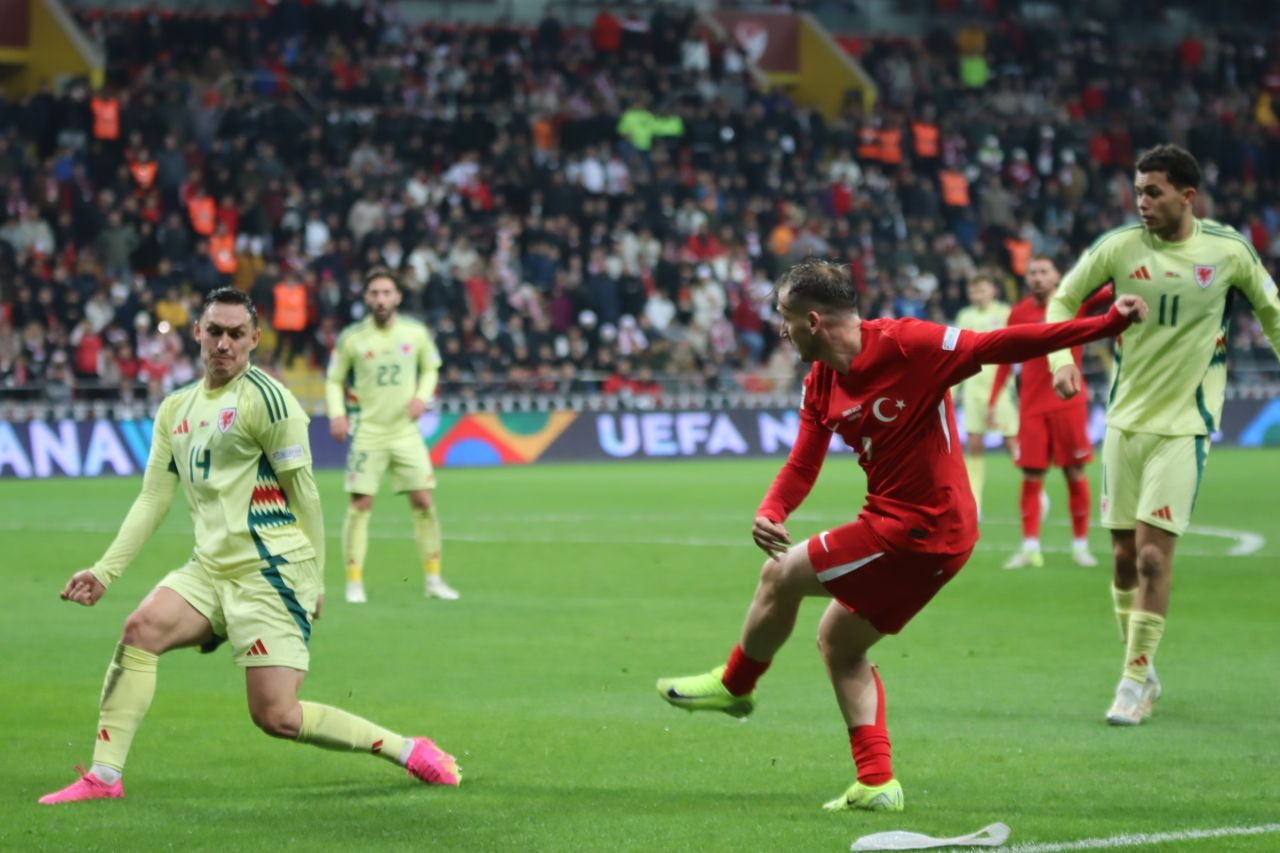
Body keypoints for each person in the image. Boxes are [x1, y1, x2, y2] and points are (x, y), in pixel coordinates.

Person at [656, 259, 1146, 812]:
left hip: (922, 527)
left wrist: (1102, 326)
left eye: (784, 317)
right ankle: (876, 782)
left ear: (813, 320)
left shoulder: (910, 344)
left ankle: (737, 682)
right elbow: (802, 464)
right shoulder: (821, 380)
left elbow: (1000, 343)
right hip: (910, 530)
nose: (780, 329)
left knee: (780, 575)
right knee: (839, 642)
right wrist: (772, 508)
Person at [40, 288, 460, 805]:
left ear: (254, 339)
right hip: (210, 569)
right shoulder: (176, 409)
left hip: (273, 574)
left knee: (275, 716)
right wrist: (105, 572)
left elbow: (305, 496)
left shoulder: (269, 400)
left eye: (236, 334)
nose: (224, 343)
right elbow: (153, 497)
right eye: (214, 331)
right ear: (197, 332)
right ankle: (104, 778)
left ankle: (406, 748)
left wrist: (317, 580)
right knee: (140, 629)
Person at [1045, 144, 1280, 726]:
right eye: (1138, 191)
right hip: (1124, 423)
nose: (1141, 202)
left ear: (1186, 195)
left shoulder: (1227, 252)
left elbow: (1272, 312)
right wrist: (1063, 360)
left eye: (1153, 192)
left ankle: (1131, 681)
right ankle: (1144, 672)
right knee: (1123, 560)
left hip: (1185, 426)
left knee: (1152, 556)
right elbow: (1063, 297)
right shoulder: (1120, 247)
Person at [325, 268, 458, 603]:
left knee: (424, 501)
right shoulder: (353, 338)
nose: (381, 299)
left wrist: (422, 397)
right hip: (368, 431)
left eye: (387, 292)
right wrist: (338, 414)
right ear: (366, 298)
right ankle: (354, 583)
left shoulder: (415, 333)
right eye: (375, 293)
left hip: (405, 432)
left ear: (398, 296)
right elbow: (333, 379)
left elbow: (431, 367)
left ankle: (433, 580)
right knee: (360, 505)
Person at [989, 257, 1112, 569]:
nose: (1037, 278)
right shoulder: (1018, 313)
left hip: (1068, 402)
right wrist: (993, 400)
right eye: (1032, 273)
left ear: (1058, 275)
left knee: (1074, 473)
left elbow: (1110, 291)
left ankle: (1080, 546)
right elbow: (1005, 358)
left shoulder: (1073, 302)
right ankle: (1030, 548)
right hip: (1031, 407)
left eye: (1044, 272)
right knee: (1031, 476)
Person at [952, 274, 1017, 517]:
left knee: (1012, 442)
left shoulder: (1005, 313)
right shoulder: (964, 316)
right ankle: (975, 503)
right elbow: (957, 354)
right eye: (973, 291)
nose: (976, 295)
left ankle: (1035, 489)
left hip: (1000, 390)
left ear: (993, 290)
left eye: (981, 290)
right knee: (975, 446)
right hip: (973, 390)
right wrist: (952, 390)